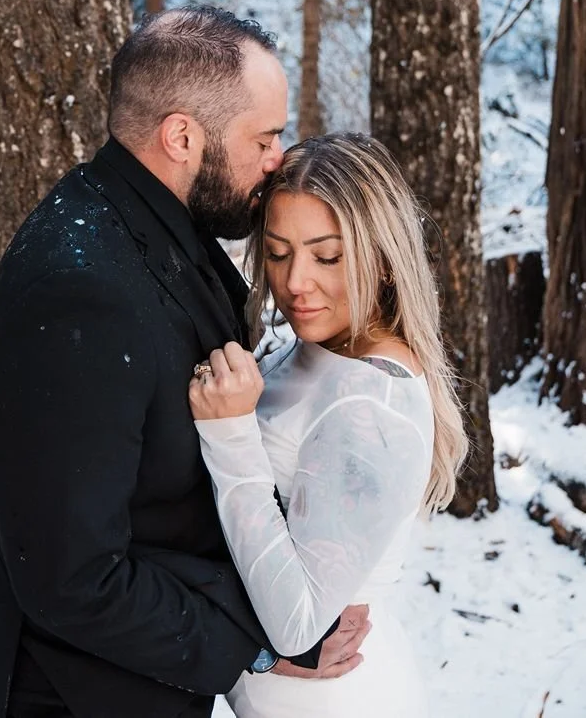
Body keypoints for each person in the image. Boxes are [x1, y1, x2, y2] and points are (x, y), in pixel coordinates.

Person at [0, 5, 370, 718]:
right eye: (265, 137)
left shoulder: (146, 229)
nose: (278, 158)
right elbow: (73, 577)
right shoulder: (79, 291)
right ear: (182, 136)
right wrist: (258, 642)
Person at [189, 133, 470, 718]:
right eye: (278, 251)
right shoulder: (318, 347)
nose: (295, 282)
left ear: (384, 261)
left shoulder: (374, 404)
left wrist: (230, 431)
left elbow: (297, 627)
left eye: (328, 256)